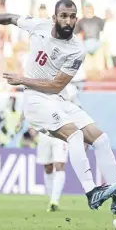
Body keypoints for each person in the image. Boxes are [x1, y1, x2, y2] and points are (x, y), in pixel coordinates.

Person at [0, 0, 116, 216]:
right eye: (63, 16)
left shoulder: (76, 50)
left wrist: (23, 79)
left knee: (101, 139)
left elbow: (57, 85)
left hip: (56, 97)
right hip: (35, 100)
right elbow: (10, 18)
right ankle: (91, 191)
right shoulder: (39, 26)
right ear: (54, 18)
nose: (68, 20)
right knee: (75, 136)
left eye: (72, 16)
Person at [36, 84, 79, 212]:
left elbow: (76, 110)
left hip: (61, 133)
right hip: (44, 133)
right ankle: (51, 200)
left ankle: (55, 200)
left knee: (59, 165)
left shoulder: (71, 89)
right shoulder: (43, 85)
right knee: (48, 167)